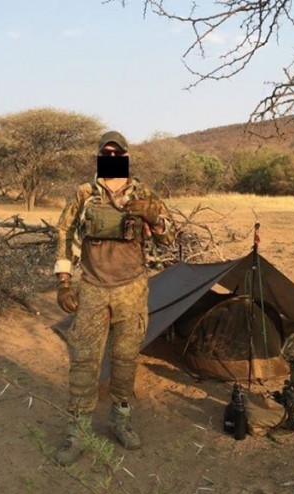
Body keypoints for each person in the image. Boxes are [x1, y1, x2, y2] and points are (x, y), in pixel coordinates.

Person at [52, 130, 175, 466]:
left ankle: (121, 420)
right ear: (99, 156)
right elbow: (64, 232)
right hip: (92, 288)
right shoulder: (84, 194)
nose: (111, 158)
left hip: (132, 289)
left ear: (125, 156)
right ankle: (77, 431)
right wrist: (64, 282)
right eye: (106, 153)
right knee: (84, 362)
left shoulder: (144, 193)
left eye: (116, 153)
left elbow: (169, 238)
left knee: (124, 360)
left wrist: (153, 217)